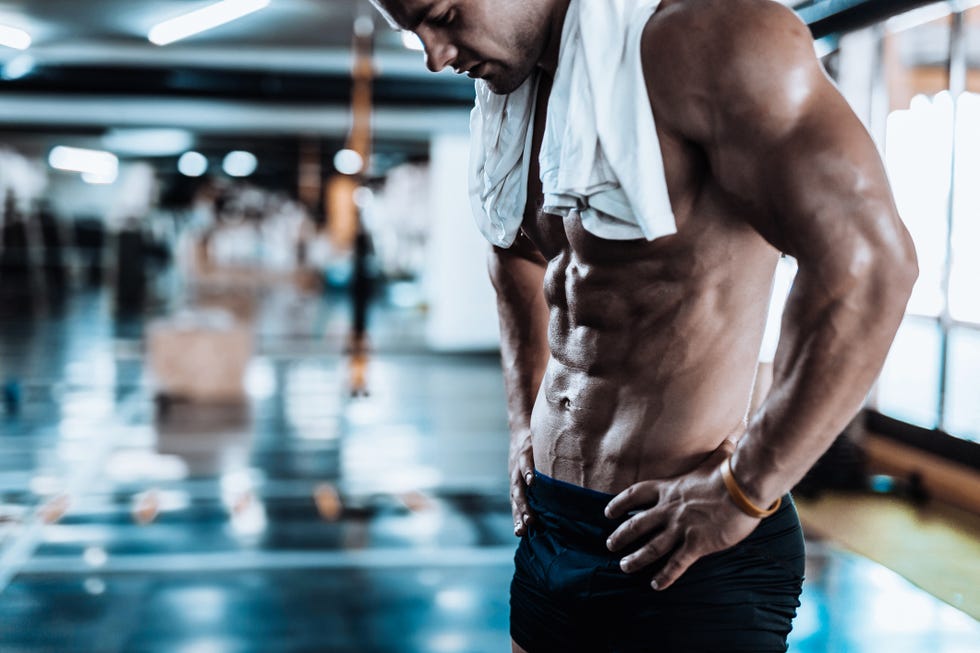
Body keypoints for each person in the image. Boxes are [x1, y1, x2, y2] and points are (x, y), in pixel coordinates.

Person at [371, 0, 918, 651]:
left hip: (683, 547)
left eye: (443, 14)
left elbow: (870, 265)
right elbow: (512, 248)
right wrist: (524, 423)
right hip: (552, 524)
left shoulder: (711, 36)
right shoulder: (516, 92)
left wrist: (746, 489)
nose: (435, 55)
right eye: (413, 35)